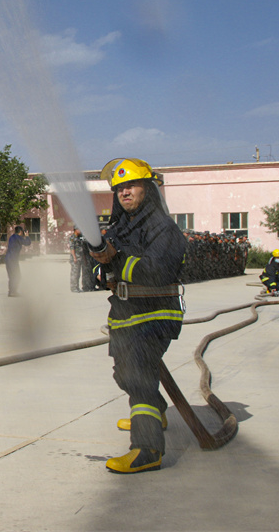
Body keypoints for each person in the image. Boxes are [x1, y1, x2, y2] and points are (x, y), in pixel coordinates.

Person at [90, 158, 187, 474]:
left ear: (148, 188)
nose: (124, 192)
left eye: (130, 185)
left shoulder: (163, 228)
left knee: (139, 376)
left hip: (154, 314)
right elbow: (109, 267)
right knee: (124, 374)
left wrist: (117, 261)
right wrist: (101, 264)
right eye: (119, 188)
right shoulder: (121, 227)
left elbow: (157, 270)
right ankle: (155, 411)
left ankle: (147, 450)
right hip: (124, 315)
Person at [4, 225, 31, 297]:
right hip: (13, 259)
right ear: (21, 232)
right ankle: (13, 292)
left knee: (12, 276)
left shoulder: (12, 237)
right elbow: (27, 243)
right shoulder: (18, 237)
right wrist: (27, 236)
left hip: (8, 259)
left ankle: (11, 292)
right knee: (17, 276)